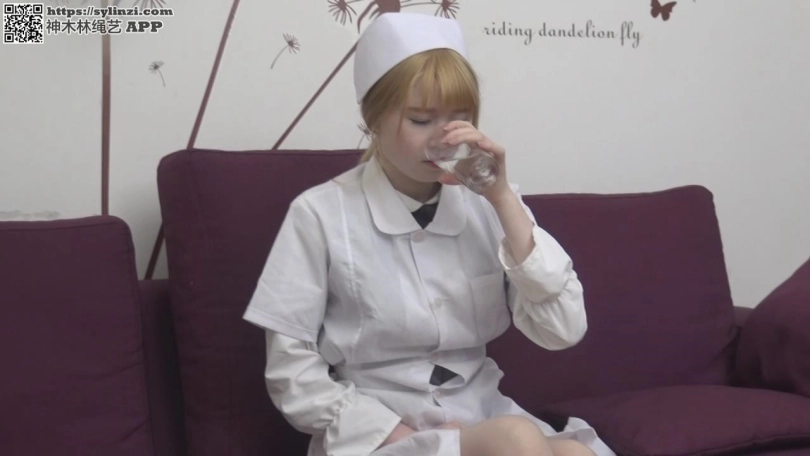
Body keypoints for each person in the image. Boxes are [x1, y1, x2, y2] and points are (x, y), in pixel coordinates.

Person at [243, 12, 616, 456]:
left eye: (459, 119)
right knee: (517, 439)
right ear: (373, 118)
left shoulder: (490, 205)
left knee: (577, 453)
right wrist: (395, 434)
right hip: (376, 431)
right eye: (421, 120)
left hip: (478, 413)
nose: (443, 139)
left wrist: (501, 198)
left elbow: (563, 329)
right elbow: (290, 369)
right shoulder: (319, 214)